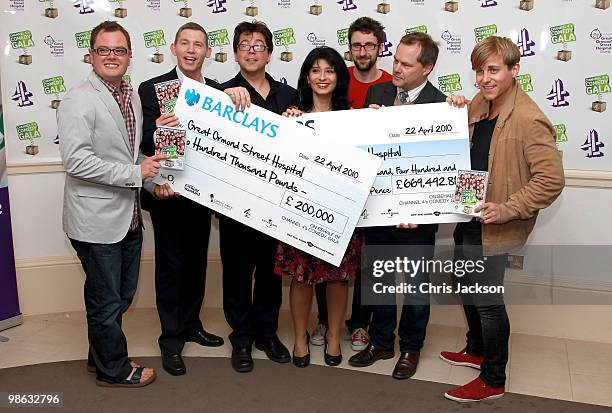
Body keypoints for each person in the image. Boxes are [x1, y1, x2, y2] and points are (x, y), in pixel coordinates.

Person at [440, 36, 564, 402]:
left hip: (496, 224)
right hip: (469, 213)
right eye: (479, 70)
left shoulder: (529, 118)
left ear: (514, 69)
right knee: (463, 283)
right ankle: (476, 348)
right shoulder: (482, 103)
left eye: (493, 70)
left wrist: (507, 208)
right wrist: (455, 109)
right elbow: (462, 143)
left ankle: (493, 378)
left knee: (487, 301)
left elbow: (551, 180)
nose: (484, 78)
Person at [58, 20, 163, 388]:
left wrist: (150, 178)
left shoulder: (130, 95)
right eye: (104, 50)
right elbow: (77, 161)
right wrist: (137, 174)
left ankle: (99, 354)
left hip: (128, 215)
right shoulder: (78, 98)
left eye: (119, 50)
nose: (111, 57)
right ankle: (113, 369)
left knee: (119, 296)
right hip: (96, 219)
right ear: (91, 55)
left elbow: (130, 153)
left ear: (130, 57)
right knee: (106, 300)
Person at [348, 32, 447, 380]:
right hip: (378, 210)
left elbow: (441, 166)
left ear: (427, 67)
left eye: (406, 64)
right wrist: (367, 123)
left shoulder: (442, 105)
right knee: (380, 280)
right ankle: (381, 341)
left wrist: (417, 210)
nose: (397, 69)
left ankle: (411, 347)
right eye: (396, 61)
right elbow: (366, 154)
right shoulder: (378, 93)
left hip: (417, 219)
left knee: (417, 285)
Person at [138, 22, 224, 377]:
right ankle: (171, 341)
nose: (191, 50)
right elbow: (141, 142)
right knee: (170, 267)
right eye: (185, 44)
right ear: (173, 48)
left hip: (201, 196)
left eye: (198, 45)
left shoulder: (218, 92)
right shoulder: (152, 89)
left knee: (196, 264)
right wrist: (159, 127)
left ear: (207, 51)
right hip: (167, 192)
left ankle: (191, 324)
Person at [219, 21, 298, 373]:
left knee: (270, 272)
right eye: (245, 45)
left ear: (269, 53)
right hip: (234, 205)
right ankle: (242, 338)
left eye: (259, 45)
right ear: (236, 52)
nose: (252, 51)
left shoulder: (289, 95)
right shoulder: (219, 94)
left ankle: (267, 332)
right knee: (237, 273)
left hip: (277, 205)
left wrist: (300, 122)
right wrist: (223, 102)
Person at [311, 16, 393, 352]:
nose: (362, 51)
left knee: (366, 260)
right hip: (332, 189)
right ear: (350, 47)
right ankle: (325, 320)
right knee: (323, 256)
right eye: (357, 45)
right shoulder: (339, 83)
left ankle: (359, 323)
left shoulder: (391, 85)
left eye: (369, 45)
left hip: (375, 192)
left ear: (379, 47)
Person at [274, 46, 357, 368]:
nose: (323, 77)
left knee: (338, 278)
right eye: (316, 70)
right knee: (300, 277)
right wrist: (286, 128)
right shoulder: (292, 117)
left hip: (341, 212)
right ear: (306, 77)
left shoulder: (355, 118)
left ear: (339, 76)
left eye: (330, 70)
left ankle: (334, 337)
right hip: (299, 210)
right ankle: (300, 338)